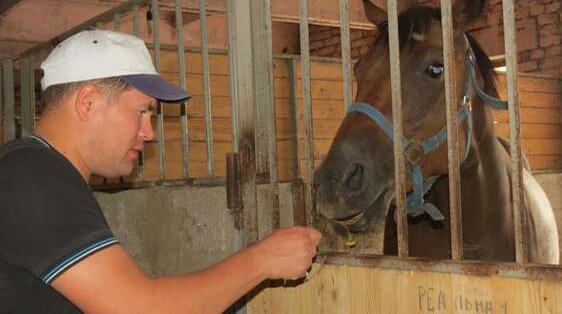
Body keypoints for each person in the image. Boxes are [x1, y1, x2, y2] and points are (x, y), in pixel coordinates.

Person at [0, 29, 321, 313]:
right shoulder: (33, 178)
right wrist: (263, 260)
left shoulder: (39, 172)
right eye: (142, 111)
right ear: (88, 102)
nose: (149, 132)